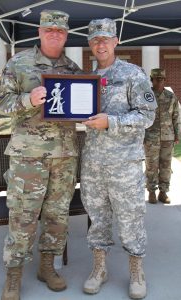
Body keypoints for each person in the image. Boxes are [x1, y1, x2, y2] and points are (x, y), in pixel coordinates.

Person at [0, 10, 81, 300]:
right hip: (29, 155)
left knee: (57, 215)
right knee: (23, 215)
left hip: (64, 155)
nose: (55, 34)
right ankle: (13, 275)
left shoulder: (73, 69)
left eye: (61, 30)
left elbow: (82, 105)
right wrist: (27, 99)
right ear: (40, 32)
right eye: (49, 29)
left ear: (66, 35)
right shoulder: (19, 63)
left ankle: (47, 267)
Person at [80, 18, 157, 299]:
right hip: (93, 164)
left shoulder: (133, 74)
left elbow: (147, 115)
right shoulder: (84, 78)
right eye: (95, 39)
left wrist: (111, 121)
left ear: (115, 42)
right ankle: (99, 269)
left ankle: (137, 272)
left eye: (106, 38)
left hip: (124, 163)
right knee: (97, 218)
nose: (100, 44)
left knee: (130, 219)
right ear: (90, 44)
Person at [144, 68, 180, 204]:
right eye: (156, 79)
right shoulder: (146, 96)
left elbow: (176, 117)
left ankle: (163, 192)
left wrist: (177, 134)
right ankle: (152, 192)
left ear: (164, 80)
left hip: (168, 137)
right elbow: (141, 117)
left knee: (166, 166)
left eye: (161, 79)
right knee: (151, 166)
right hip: (150, 137)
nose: (159, 82)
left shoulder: (171, 97)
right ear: (151, 80)